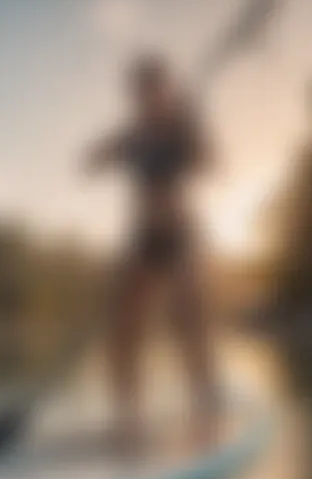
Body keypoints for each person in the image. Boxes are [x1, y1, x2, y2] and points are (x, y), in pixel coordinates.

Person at [83, 53, 219, 452]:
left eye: (153, 88)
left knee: (188, 320)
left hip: (180, 235)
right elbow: (90, 164)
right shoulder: (132, 136)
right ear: (135, 95)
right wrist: (108, 145)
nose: (146, 96)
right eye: (140, 90)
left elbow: (211, 163)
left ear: (165, 89)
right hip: (141, 238)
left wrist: (194, 122)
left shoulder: (183, 127)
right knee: (123, 328)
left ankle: (205, 408)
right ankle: (127, 417)